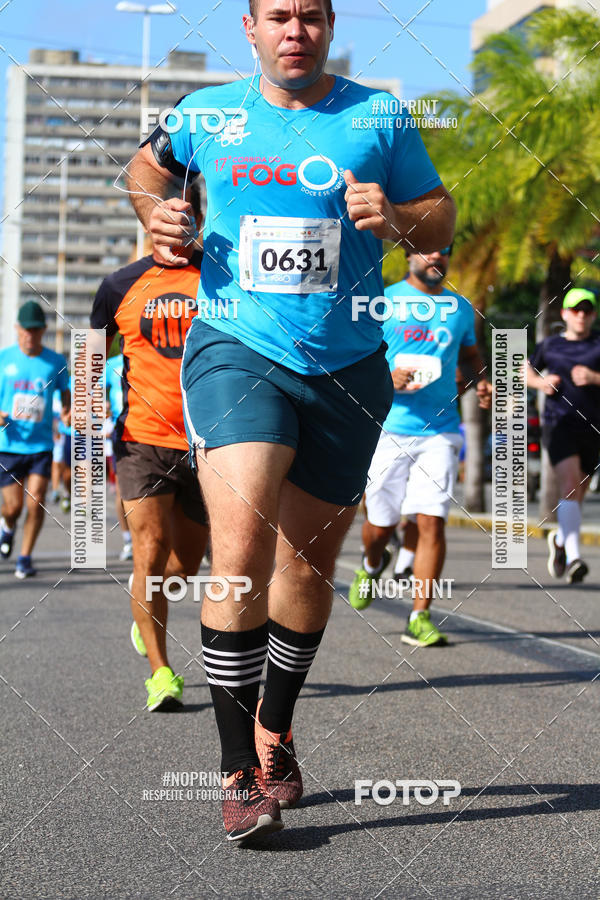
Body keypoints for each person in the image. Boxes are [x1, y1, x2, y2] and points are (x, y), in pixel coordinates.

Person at [126, 0, 455, 841]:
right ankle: (237, 771)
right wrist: (155, 213)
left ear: (331, 26)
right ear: (250, 28)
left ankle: (276, 726)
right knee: (240, 551)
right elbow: (144, 171)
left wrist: (401, 220)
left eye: (310, 16)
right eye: (279, 16)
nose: (295, 30)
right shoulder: (209, 113)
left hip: (348, 364)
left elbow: (440, 216)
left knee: (306, 569)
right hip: (237, 348)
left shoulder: (378, 113)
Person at [90, 184, 208, 712]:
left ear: (201, 221)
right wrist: (88, 401)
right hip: (143, 440)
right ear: (149, 220)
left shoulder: (224, 277)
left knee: (188, 565)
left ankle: (147, 615)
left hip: (212, 443)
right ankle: (161, 672)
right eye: (169, 216)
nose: (178, 227)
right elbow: (91, 351)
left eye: (190, 218)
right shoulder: (118, 285)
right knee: (151, 551)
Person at [349, 246, 492, 647]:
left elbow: (469, 355)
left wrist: (480, 380)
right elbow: (355, 356)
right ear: (410, 254)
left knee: (432, 521)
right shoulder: (383, 301)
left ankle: (420, 616)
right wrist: (384, 376)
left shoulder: (459, 308)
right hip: (388, 429)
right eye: (428, 250)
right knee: (380, 526)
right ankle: (371, 564)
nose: (437, 257)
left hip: (442, 430)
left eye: (445, 251)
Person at [527, 288, 600, 584]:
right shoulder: (550, 346)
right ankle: (574, 558)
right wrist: (541, 382)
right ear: (565, 314)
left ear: (593, 314)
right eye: (576, 310)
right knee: (570, 487)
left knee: (577, 495)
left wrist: (594, 378)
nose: (581, 315)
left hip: (593, 429)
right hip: (559, 425)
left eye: (587, 310)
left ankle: (559, 539)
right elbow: (526, 372)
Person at [0, 301, 70, 578]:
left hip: (41, 446)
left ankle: (25, 557)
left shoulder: (55, 362)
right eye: (25, 330)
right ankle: (7, 528)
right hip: (8, 445)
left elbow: (65, 392)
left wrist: (66, 411)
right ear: (17, 330)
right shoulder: (4, 359)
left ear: (43, 331)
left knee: (36, 500)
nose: (30, 335)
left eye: (36, 330)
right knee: (14, 507)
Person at [104, 353, 133, 561]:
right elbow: (94, 389)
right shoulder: (111, 364)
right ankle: (128, 540)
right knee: (122, 490)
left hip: (154, 429)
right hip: (121, 430)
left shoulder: (150, 353)